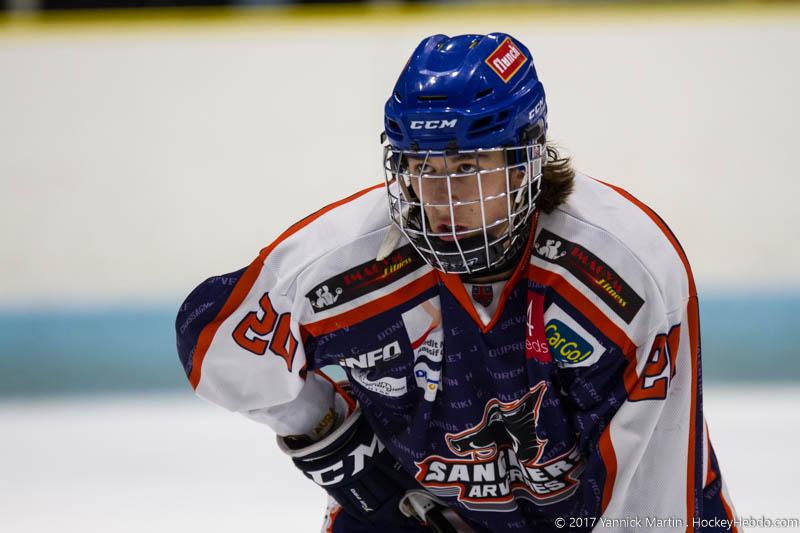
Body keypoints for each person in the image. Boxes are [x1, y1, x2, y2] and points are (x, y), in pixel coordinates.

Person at [175, 32, 739, 532]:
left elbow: (652, 498)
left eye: (467, 168)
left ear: (526, 159)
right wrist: (331, 437)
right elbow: (216, 338)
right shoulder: (351, 264)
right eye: (422, 168)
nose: (441, 199)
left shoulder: (620, 274)